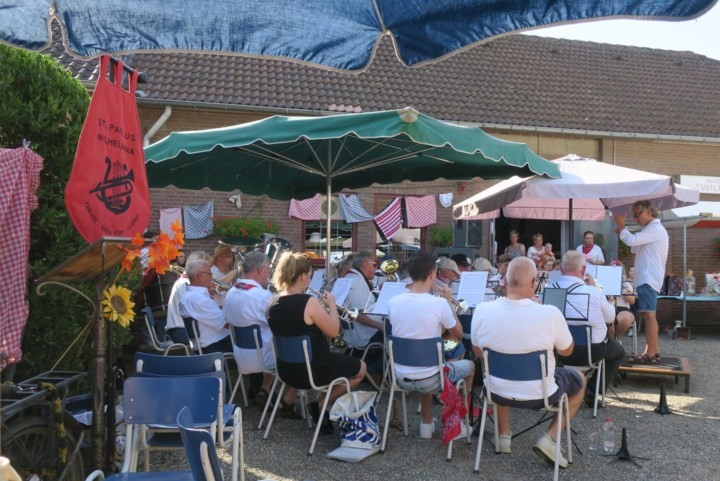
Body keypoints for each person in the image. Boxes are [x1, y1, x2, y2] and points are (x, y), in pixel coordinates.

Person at [471, 257, 585, 467]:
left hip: (495, 391)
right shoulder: (550, 313)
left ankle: (504, 436)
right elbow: (567, 351)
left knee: (501, 370)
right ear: (534, 282)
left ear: (505, 280)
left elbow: (478, 352)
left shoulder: (482, 310)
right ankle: (549, 438)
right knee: (579, 378)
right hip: (540, 394)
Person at [267, 252, 366, 433]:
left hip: (286, 371)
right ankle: (321, 404)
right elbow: (334, 331)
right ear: (303, 276)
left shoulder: (272, 302)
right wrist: (332, 306)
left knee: (309, 355)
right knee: (361, 369)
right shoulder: (308, 302)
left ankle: (296, 401)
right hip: (314, 370)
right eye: (309, 276)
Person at [387, 252, 475, 439]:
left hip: (400, 376)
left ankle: (426, 424)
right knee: (471, 367)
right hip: (432, 378)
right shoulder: (439, 304)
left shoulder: (393, 302)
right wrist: (448, 301)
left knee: (426, 363)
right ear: (432, 275)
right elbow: (458, 334)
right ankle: (456, 422)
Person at [223, 251, 298, 410]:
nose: (268, 274)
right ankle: (287, 401)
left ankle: (264, 389)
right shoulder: (262, 296)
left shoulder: (230, 292)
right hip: (262, 359)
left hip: (241, 357)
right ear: (260, 270)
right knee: (298, 348)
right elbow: (284, 324)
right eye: (268, 270)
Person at [548, 251, 624, 407]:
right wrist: (596, 289)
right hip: (590, 352)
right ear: (583, 271)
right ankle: (592, 391)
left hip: (559, 352)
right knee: (619, 352)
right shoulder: (593, 292)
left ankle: (555, 388)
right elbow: (610, 318)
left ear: (561, 269)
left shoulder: (550, 290)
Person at [614, 200, 668, 364]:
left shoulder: (655, 229)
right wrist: (624, 232)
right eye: (634, 215)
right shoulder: (652, 229)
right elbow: (635, 246)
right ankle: (651, 351)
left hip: (648, 279)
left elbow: (631, 242)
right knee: (648, 315)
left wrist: (622, 227)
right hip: (648, 279)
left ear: (649, 211)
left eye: (638, 214)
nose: (636, 218)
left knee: (649, 316)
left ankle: (651, 354)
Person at [342, 251, 385, 380]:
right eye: (374, 264)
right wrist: (380, 326)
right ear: (365, 264)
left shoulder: (350, 278)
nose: (376, 268)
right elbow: (357, 314)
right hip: (366, 334)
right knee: (399, 334)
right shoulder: (357, 282)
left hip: (358, 332)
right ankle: (373, 371)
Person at [179, 260, 233, 354]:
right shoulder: (199, 299)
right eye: (210, 273)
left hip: (207, 344)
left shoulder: (187, 296)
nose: (212, 277)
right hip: (216, 345)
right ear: (200, 276)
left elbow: (208, 314)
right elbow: (227, 324)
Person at [166, 251, 212, 344]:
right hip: (181, 331)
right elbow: (198, 309)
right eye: (207, 272)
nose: (210, 275)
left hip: (184, 329)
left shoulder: (186, 282)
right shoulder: (185, 283)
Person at [609, 260, 636, 339]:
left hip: (622, 308)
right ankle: (613, 341)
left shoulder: (626, 284)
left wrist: (622, 287)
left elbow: (632, 301)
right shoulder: (604, 282)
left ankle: (614, 339)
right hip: (608, 306)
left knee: (625, 319)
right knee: (608, 319)